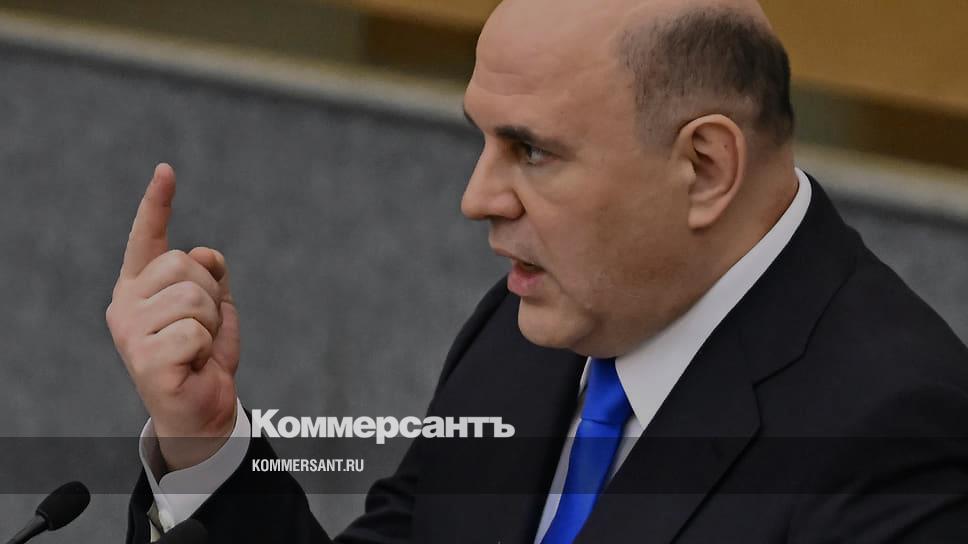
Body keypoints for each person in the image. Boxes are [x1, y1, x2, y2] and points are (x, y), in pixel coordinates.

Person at [106, 0, 968, 542]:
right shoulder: (526, 332)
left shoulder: (900, 437)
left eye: (530, 151)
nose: (477, 197)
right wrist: (205, 441)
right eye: (483, 140)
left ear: (705, 168)